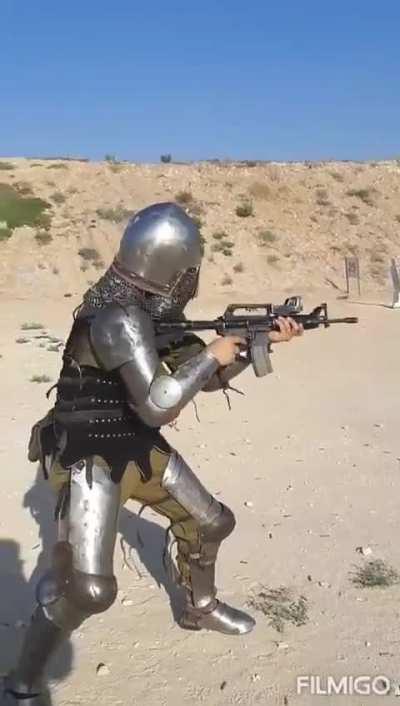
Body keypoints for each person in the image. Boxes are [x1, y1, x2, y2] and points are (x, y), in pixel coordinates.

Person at [2, 203, 302, 704]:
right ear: (174, 268)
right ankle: (24, 683)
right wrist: (213, 352)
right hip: (86, 453)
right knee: (88, 592)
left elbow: (203, 381)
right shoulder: (118, 317)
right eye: (189, 270)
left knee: (212, 523)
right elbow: (160, 404)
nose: (192, 280)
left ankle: (197, 605)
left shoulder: (154, 313)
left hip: (134, 444)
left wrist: (253, 347)